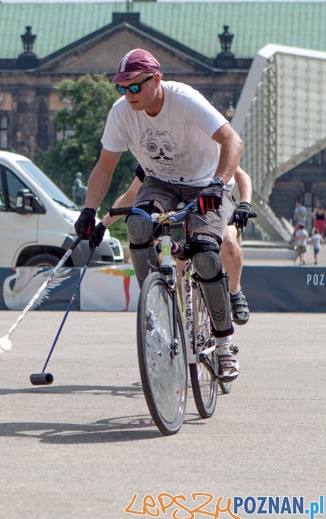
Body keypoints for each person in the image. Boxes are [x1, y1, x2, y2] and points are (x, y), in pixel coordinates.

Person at [75, 49, 243, 381]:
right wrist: (89, 211)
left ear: (156, 79)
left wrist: (217, 183)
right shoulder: (121, 113)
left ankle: (224, 343)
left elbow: (232, 141)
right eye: (122, 89)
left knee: (208, 256)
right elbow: (104, 167)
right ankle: (155, 304)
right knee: (137, 225)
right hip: (160, 183)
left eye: (135, 87)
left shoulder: (184, 100)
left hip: (205, 184)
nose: (129, 96)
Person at [101, 164, 252, 326]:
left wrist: (245, 204)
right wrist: (101, 226)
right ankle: (187, 322)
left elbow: (241, 175)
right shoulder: (162, 155)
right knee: (180, 261)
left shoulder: (209, 148)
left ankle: (234, 292)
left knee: (228, 243)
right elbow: (130, 195)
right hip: (180, 211)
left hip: (214, 204)